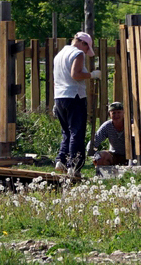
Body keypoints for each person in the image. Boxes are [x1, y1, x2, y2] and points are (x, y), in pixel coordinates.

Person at [52, 31, 99, 175]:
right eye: (87, 47)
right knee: (77, 132)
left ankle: (61, 160)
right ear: (82, 43)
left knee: (66, 131)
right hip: (74, 96)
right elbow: (75, 74)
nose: (86, 51)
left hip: (60, 97)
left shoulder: (60, 54)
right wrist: (92, 75)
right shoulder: (77, 54)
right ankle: (74, 166)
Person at [87, 101, 127, 171]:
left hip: (131, 157)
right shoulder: (107, 126)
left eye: (119, 112)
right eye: (113, 113)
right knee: (102, 156)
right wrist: (93, 154)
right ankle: (103, 178)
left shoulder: (130, 124)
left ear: (123, 113)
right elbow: (95, 140)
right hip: (114, 155)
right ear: (109, 115)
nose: (116, 115)